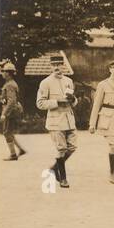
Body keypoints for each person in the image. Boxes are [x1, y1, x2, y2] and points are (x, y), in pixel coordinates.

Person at [36, 53, 77, 188]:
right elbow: (40, 104)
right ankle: (63, 179)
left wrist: (74, 100)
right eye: (54, 65)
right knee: (61, 149)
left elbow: (73, 100)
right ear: (50, 66)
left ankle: (54, 169)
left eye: (59, 64)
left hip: (69, 119)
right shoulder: (45, 83)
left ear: (63, 66)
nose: (56, 67)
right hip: (55, 120)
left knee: (72, 147)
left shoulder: (68, 81)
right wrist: (57, 101)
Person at [0, 61, 26, 160]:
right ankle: (21, 150)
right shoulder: (10, 84)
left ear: (8, 73)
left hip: (10, 112)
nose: (2, 73)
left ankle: (13, 155)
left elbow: (11, 101)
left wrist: (4, 114)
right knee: (9, 132)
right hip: (11, 110)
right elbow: (5, 98)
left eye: (4, 72)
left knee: (6, 132)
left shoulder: (10, 85)